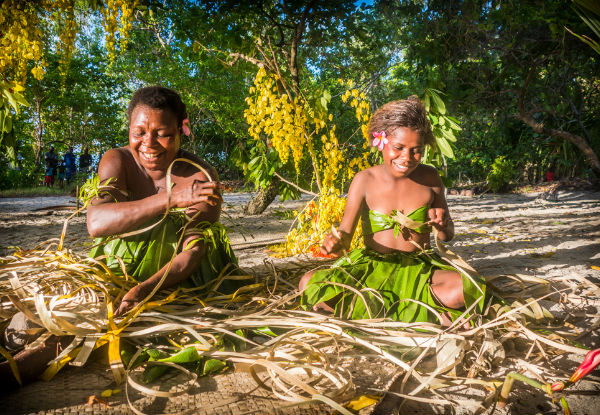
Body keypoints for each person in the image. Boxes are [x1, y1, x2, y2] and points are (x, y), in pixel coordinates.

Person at [0, 86, 239, 387]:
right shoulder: (118, 161)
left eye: (162, 133)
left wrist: (144, 290)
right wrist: (170, 199)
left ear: (183, 129)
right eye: (139, 132)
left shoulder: (200, 177)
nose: (148, 143)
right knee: (35, 318)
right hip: (115, 269)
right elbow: (96, 223)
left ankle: (15, 373)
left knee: (94, 326)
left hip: (174, 281)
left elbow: (193, 251)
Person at [299, 98, 487, 326]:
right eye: (398, 148)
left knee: (467, 286)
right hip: (370, 268)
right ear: (381, 142)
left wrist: (442, 224)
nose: (407, 157)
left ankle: (363, 312)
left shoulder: (431, 177)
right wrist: (336, 244)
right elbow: (345, 235)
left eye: (416, 151)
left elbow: (447, 236)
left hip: (420, 268)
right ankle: (433, 315)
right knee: (309, 283)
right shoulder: (364, 180)